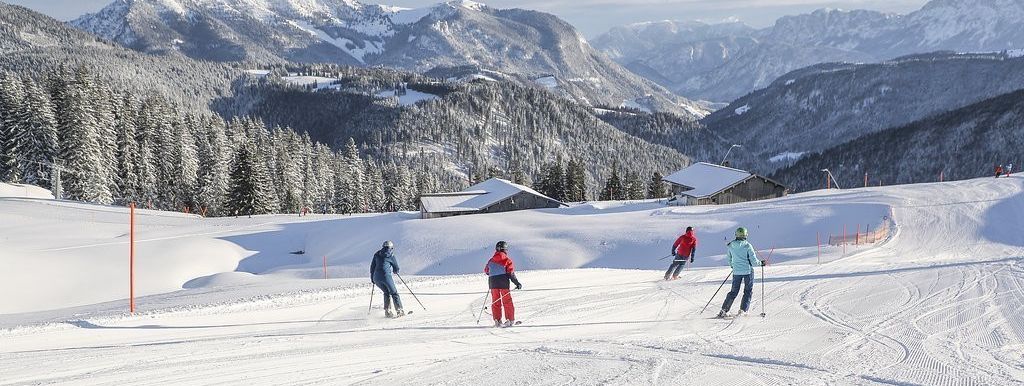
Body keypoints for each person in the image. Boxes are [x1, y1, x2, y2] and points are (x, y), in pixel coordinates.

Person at [718, 227, 764, 318]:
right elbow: (754, 261)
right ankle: (743, 310)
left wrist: (733, 266)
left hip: (736, 272)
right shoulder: (747, 245)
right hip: (748, 271)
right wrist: (761, 263)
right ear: (746, 235)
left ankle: (724, 310)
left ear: (736, 235)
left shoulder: (731, 245)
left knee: (733, 291)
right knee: (747, 291)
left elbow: (729, 259)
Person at [484, 240, 522, 327]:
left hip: (493, 283)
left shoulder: (491, 260)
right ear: (505, 250)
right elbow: (510, 273)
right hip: (503, 282)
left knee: (495, 301)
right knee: (507, 301)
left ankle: (497, 319)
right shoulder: (507, 260)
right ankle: (510, 319)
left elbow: (486, 271)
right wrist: (517, 283)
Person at [370, 240, 404, 318]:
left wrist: (372, 278)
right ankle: (399, 310)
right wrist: (396, 271)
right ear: (391, 247)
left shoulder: (377, 254)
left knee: (386, 292)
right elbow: (396, 268)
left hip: (376, 278)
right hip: (386, 277)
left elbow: (372, 267)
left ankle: (387, 311)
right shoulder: (391, 255)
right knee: (394, 293)